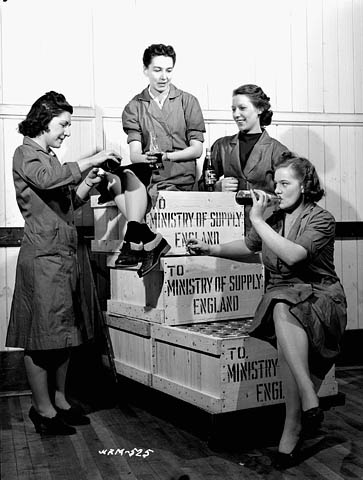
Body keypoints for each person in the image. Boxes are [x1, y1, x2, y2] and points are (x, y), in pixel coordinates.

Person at [188, 152, 347, 468]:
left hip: (320, 297)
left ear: (304, 186)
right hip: (285, 300)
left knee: (279, 305)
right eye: (276, 183)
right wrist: (212, 249)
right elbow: (249, 248)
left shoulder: (320, 218)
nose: (278, 189)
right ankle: (302, 411)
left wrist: (257, 219)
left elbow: (294, 256)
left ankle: (297, 417)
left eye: (286, 183)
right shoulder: (273, 216)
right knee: (280, 305)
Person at [5, 91, 122, 435]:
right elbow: (46, 181)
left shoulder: (50, 158)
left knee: (63, 332)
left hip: (63, 255)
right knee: (41, 336)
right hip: (42, 257)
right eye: (63, 124)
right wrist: (92, 158)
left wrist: (88, 183)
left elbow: (67, 201)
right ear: (44, 120)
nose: (66, 131)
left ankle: (60, 400)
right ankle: (42, 410)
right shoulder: (25, 154)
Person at [102, 43, 205, 276]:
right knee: (113, 177)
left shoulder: (188, 101)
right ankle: (147, 238)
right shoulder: (134, 107)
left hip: (180, 176)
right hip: (150, 174)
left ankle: (135, 239)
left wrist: (167, 155)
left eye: (169, 70)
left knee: (127, 186)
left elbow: (197, 149)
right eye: (157, 70)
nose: (164, 76)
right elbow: (135, 154)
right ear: (145, 70)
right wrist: (146, 158)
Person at [198, 84, 288, 231]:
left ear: (260, 109)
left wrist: (266, 198)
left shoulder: (277, 150)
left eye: (242, 108)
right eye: (233, 109)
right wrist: (216, 187)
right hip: (227, 228)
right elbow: (201, 186)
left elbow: (288, 194)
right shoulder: (222, 146)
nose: (236, 114)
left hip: (266, 229)